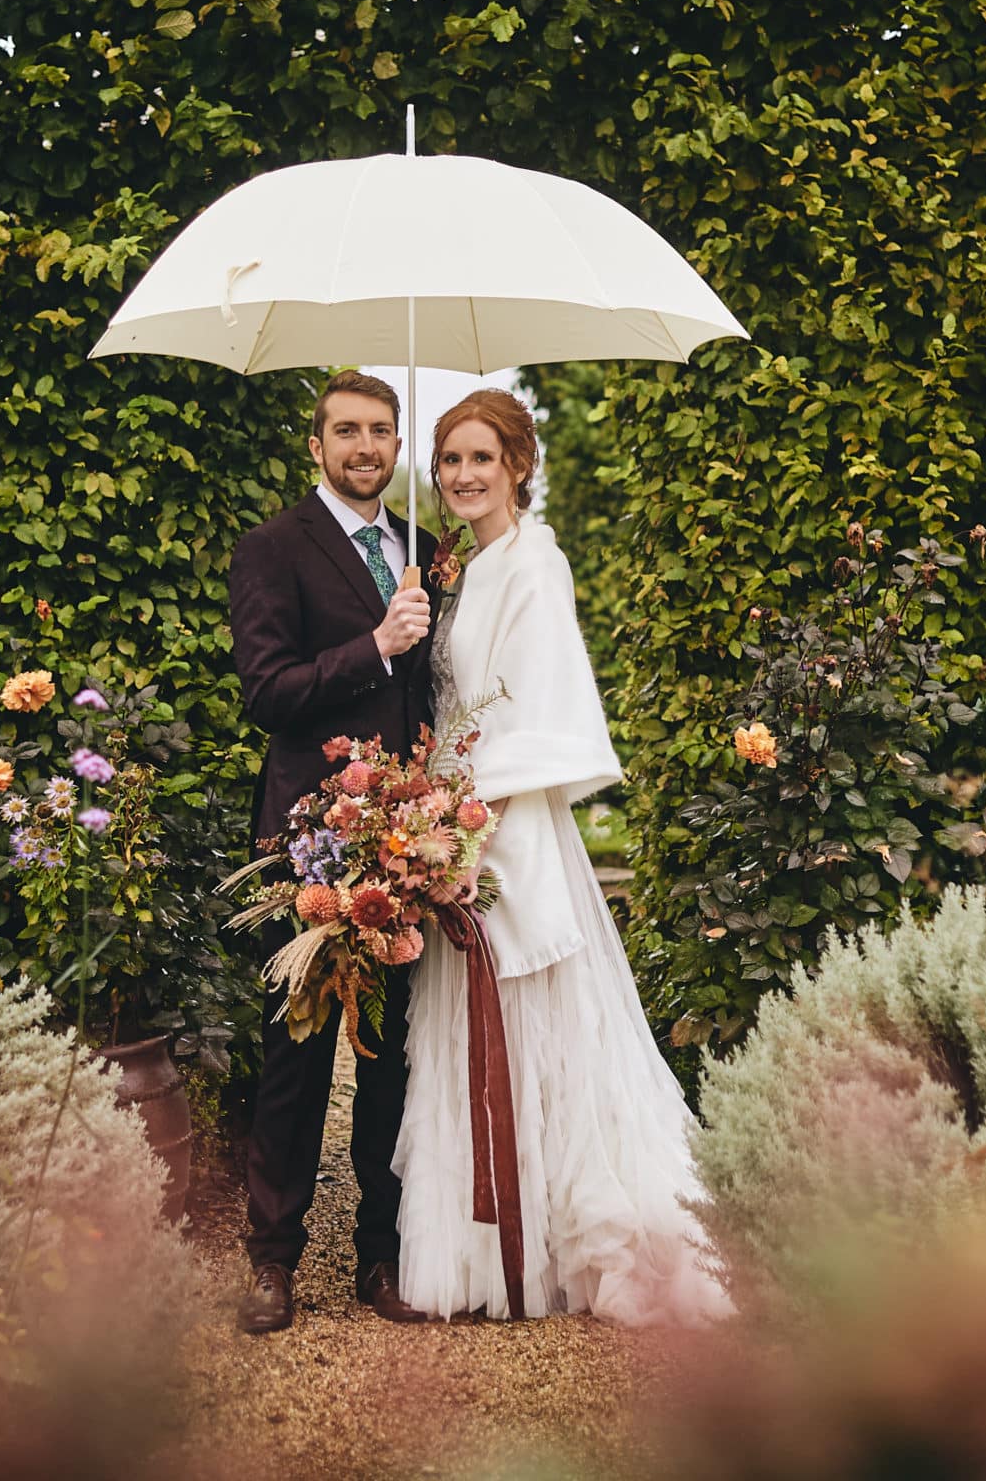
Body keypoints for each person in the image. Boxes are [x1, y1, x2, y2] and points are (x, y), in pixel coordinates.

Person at [393, 388, 732, 1324]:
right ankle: (497, 1241)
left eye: (480, 460)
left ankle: (569, 1236)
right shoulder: (467, 568)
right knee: (476, 1023)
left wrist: (462, 828)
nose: (461, 476)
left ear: (518, 468)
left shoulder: (536, 566)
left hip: (503, 829)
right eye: (449, 460)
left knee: (538, 1024)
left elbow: (533, 716)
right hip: (453, 814)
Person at [226, 369, 439, 1334]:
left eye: (381, 432)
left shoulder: (423, 552)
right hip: (308, 839)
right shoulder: (272, 549)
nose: (365, 447)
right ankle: (273, 1261)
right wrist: (377, 644)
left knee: (392, 1059)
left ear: (398, 447)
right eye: (346, 431)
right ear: (315, 446)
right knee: (293, 1060)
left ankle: (381, 1258)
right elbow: (267, 691)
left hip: (406, 839)